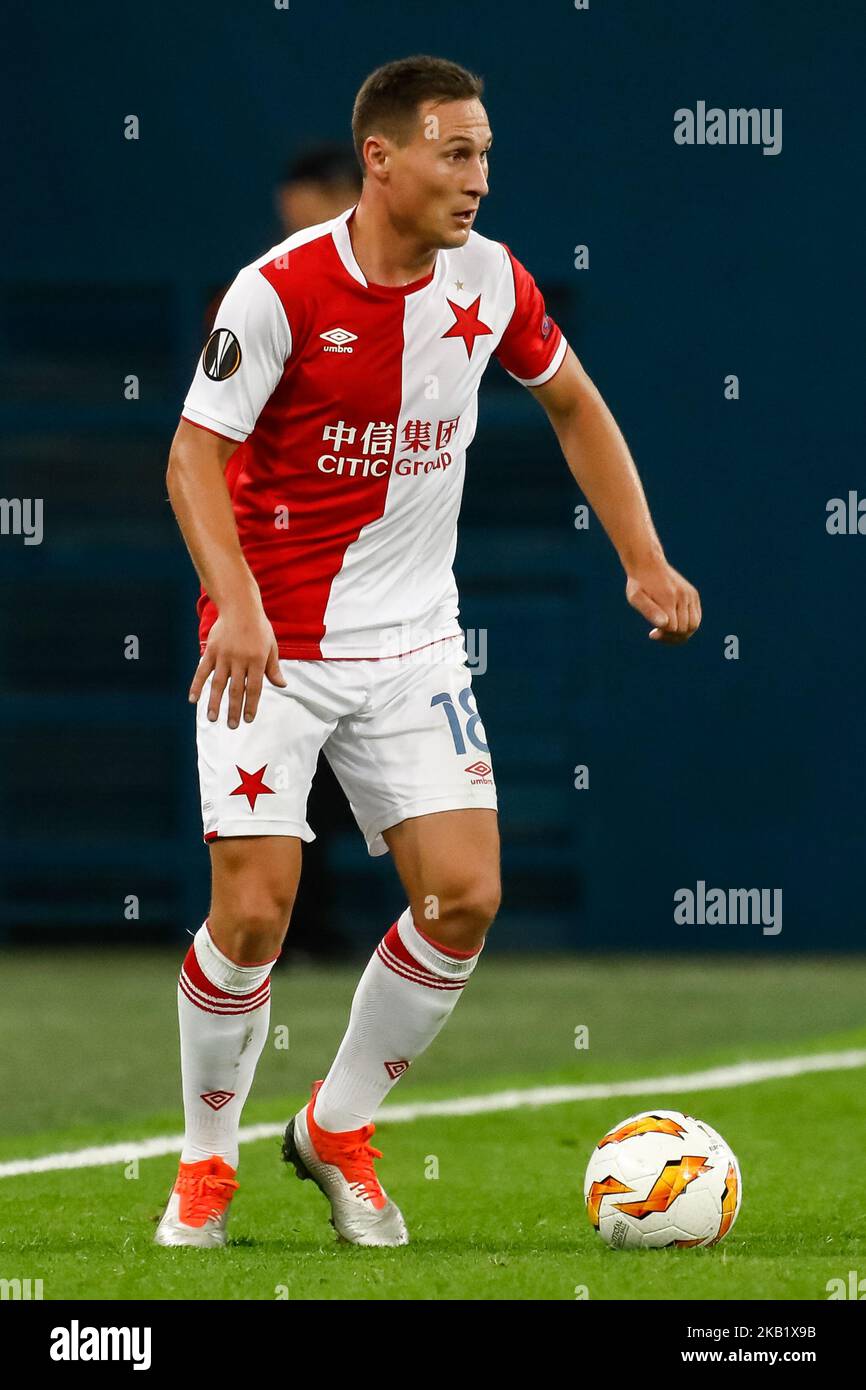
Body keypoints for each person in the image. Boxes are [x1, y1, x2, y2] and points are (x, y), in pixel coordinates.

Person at [157, 53, 701, 1249]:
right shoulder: (279, 291)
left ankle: (335, 1128)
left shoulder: (490, 281)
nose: (477, 179)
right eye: (455, 153)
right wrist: (233, 600)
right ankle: (203, 1166)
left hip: (411, 647)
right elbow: (192, 458)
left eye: (486, 156)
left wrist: (642, 557)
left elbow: (574, 403)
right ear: (382, 157)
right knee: (253, 916)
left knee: (465, 897)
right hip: (270, 645)